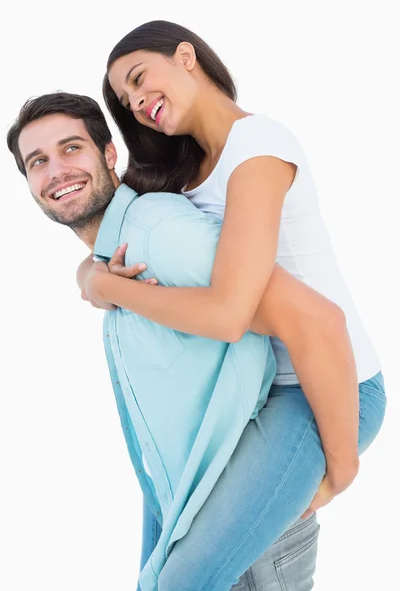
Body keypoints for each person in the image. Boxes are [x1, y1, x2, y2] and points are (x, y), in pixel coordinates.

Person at [7, 92, 385, 591]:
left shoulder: (161, 231)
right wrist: (92, 277)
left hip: (274, 449)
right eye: (38, 161)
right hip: (189, 482)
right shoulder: (114, 254)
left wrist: (342, 473)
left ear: (109, 153)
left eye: (71, 148)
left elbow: (317, 320)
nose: (56, 170)